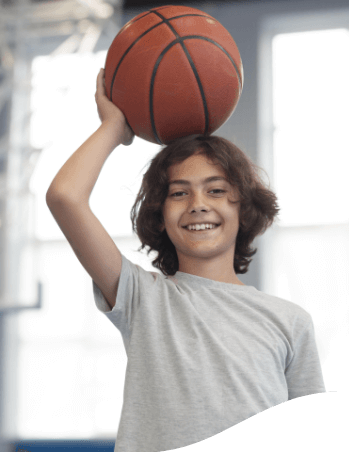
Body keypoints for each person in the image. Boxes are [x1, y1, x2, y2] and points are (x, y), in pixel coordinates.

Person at [46, 68, 326, 452]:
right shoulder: (142, 298)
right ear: (159, 215)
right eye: (179, 193)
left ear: (243, 207)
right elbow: (65, 196)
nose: (198, 205)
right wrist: (114, 128)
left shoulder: (290, 321)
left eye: (216, 190)